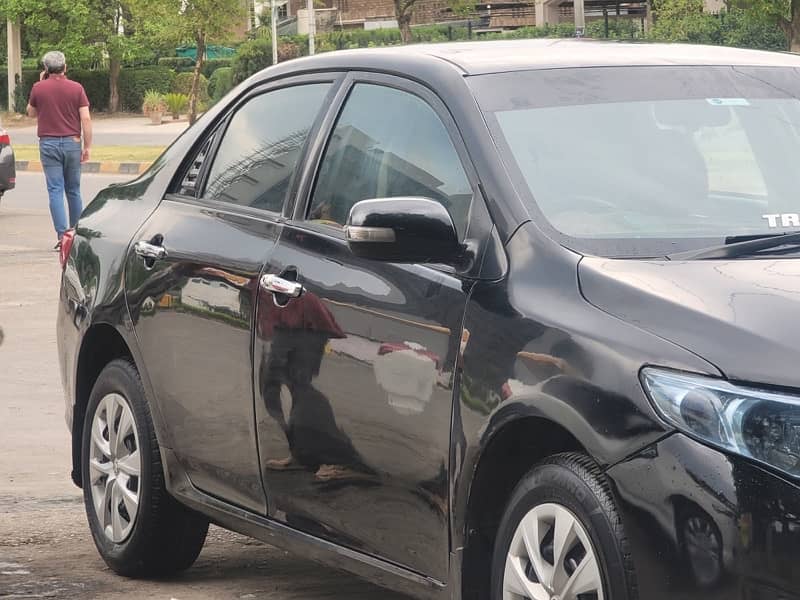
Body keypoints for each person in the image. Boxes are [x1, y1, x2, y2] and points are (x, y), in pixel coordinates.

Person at [26, 51, 92, 250]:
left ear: (46, 69)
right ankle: (76, 234)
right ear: (65, 68)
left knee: (55, 189)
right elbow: (86, 119)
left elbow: (30, 113)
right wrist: (87, 146)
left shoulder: (38, 88)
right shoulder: (77, 88)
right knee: (73, 189)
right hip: (72, 142)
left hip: (48, 144)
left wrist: (40, 84)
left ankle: (62, 236)